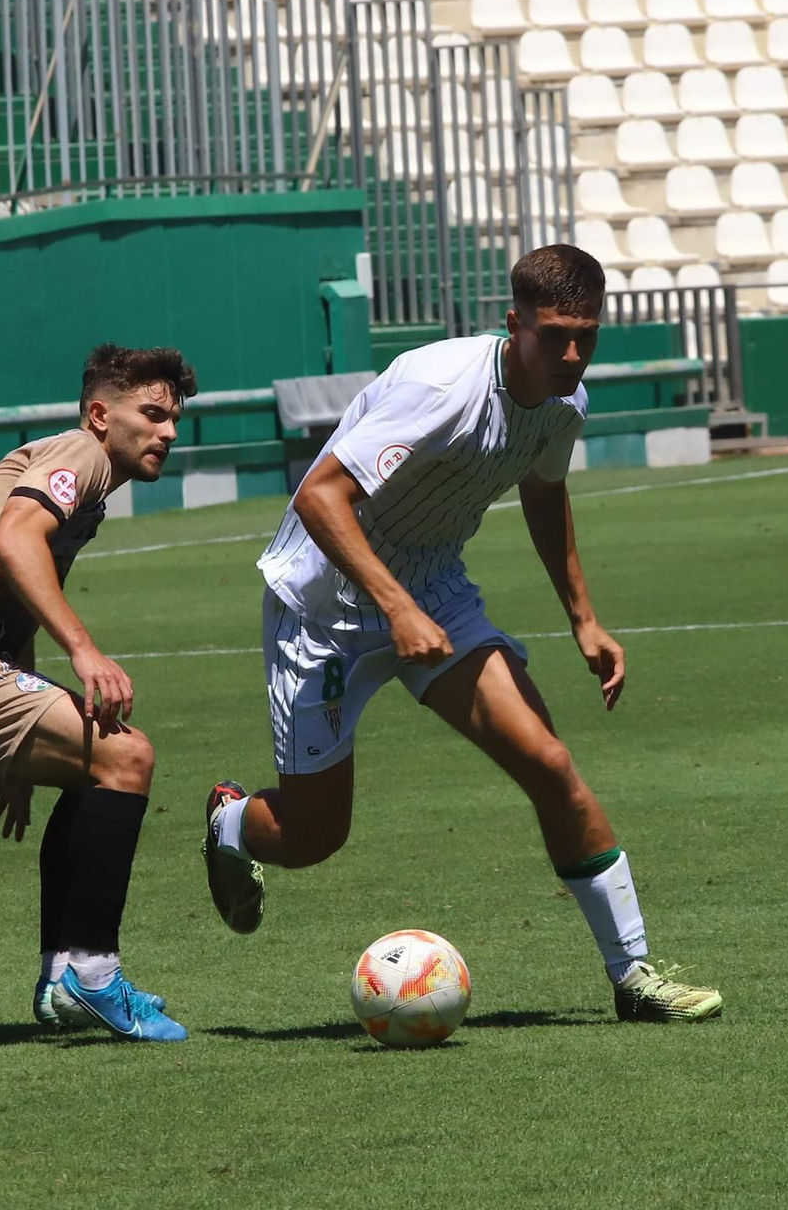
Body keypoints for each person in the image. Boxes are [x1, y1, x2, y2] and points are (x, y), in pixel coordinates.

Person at [203, 244, 722, 1022]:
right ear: (514, 324)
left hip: (436, 589)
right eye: (555, 334)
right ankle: (232, 820)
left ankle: (634, 976)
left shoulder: (562, 402)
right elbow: (320, 498)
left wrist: (583, 618)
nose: (574, 352)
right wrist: (394, 605)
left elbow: (546, 494)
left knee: (549, 760)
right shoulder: (441, 387)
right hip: (327, 602)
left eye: (588, 332)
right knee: (314, 835)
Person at [0, 344, 198, 1041]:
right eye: (154, 414)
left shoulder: (90, 482)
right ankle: (96, 976)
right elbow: (17, 541)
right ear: (101, 414)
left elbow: (14, 598)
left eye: (175, 417)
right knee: (128, 758)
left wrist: (16, 756)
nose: (169, 431)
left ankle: (60, 980)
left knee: (91, 775)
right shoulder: (83, 454)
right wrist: (83, 650)